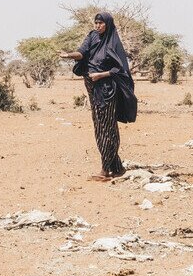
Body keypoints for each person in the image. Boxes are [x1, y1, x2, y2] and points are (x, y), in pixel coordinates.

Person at [59, 12, 138, 181]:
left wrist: (101, 75)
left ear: (108, 24)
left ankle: (105, 169)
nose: (98, 26)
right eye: (96, 23)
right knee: (99, 125)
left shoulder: (113, 41)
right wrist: (68, 55)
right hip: (91, 85)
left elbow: (120, 69)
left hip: (106, 88)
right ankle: (116, 167)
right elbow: (81, 53)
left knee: (107, 127)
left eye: (101, 23)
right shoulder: (92, 36)